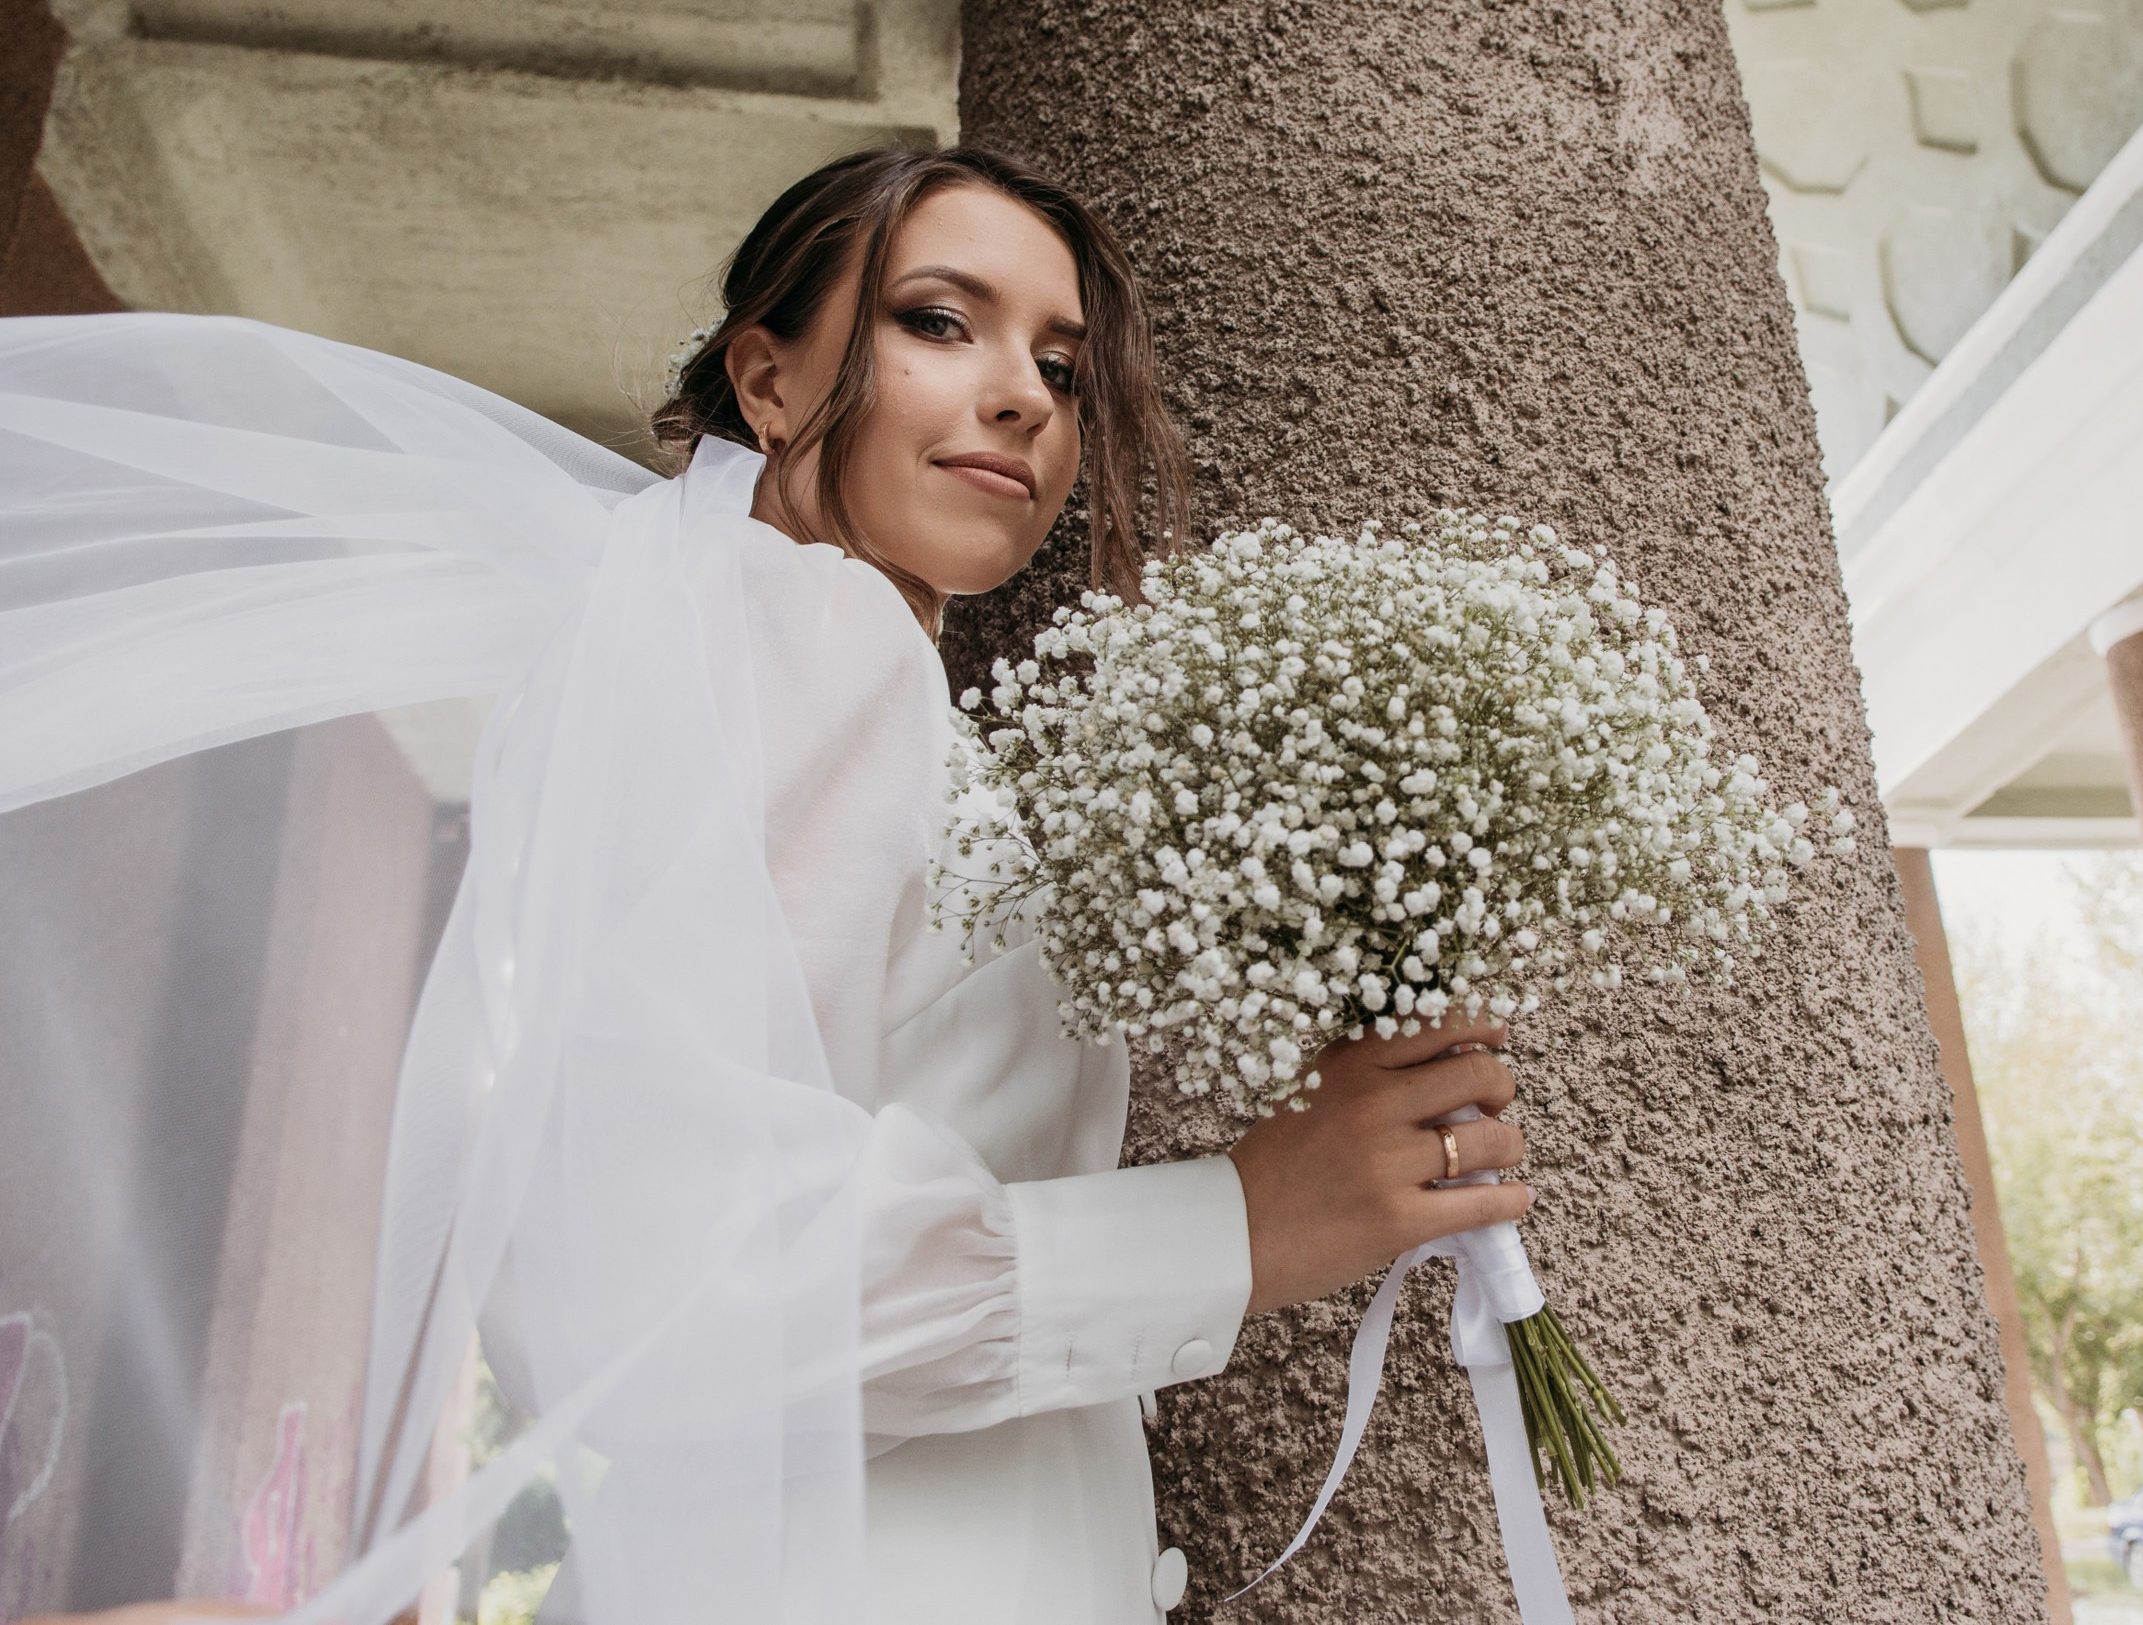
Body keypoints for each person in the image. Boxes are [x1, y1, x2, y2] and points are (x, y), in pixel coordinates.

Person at [1, 145, 1529, 1625]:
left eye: (1062, 368)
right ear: (769, 378)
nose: (1022, 394)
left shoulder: (798, 665)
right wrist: (1239, 1225)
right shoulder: (802, 638)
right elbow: (681, 1266)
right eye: (939, 321)